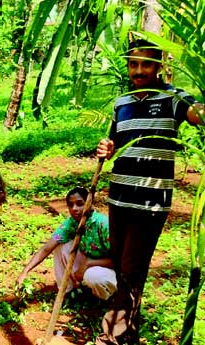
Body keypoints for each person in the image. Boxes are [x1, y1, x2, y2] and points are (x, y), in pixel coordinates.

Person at [95, 39, 204, 344]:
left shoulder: (172, 98)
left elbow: (196, 114)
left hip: (150, 201)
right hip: (119, 197)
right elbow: (114, 142)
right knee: (122, 268)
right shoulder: (122, 102)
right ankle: (128, 331)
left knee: (131, 269)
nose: (139, 70)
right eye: (133, 64)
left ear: (159, 67)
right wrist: (106, 148)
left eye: (146, 64)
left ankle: (112, 335)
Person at [16, 187, 116, 301]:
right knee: (60, 245)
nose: (74, 209)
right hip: (90, 264)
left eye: (80, 204)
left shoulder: (103, 224)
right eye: (70, 205)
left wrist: (89, 264)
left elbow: (120, 261)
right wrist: (25, 271)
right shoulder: (72, 223)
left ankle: (103, 299)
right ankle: (68, 291)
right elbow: (46, 248)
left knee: (93, 276)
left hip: (111, 270)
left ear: (90, 203)